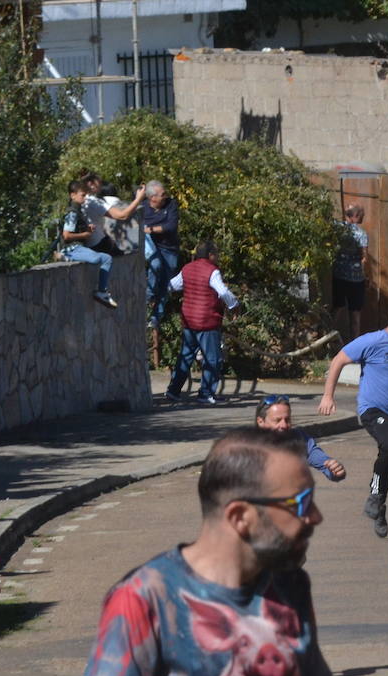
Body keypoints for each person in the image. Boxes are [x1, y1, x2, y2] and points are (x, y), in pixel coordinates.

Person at [75, 428, 334, 676]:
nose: (316, 516)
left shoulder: (290, 587)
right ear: (241, 517)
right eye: (302, 503)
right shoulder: (143, 598)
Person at [316, 301, 388, 539]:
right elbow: (338, 360)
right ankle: (376, 499)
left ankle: (378, 503)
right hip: (372, 409)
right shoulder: (371, 341)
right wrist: (328, 396)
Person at [165, 240, 240, 405]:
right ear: (210, 255)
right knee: (213, 358)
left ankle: (173, 391)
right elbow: (223, 292)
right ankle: (205, 393)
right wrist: (234, 305)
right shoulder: (212, 271)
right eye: (216, 254)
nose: (218, 257)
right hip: (207, 321)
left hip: (189, 320)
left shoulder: (187, 268)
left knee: (185, 356)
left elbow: (171, 286)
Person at [256, 394, 347, 483]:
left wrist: (335, 469)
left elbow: (322, 461)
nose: (284, 425)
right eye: (277, 420)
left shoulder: (298, 438)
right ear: (260, 422)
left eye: (287, 420)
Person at [61, 180, 119, 308]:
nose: (85, 198)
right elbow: (66, 236)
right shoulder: (73, 212)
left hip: (78, 247)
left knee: (107, 258)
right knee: (97, 258)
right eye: (82, 195)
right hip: (72, 249)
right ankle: (65, 256)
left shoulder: (79, 211)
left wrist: (87, 229)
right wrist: (84, 235)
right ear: (73, 195)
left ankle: (102, 292)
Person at [139, 180, 180, 333]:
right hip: (152, 246)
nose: (166, 196)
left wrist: (150, 229)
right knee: (155, 265)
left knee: (165, 284)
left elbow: (171, 226)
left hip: (169, 249)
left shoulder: (171, 204)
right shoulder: (143, 208)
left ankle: (156, 318)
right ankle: (148, 297)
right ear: (152, 198)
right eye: (162, 194)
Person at [81, 172, 146, 257]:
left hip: (89, 244)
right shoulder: (94, 202)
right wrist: (138, 199)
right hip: (99, 244)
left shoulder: (83, 200)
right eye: (99, 182)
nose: (101, 185)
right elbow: (122, 216)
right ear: (90, 184)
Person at [332, 204, 370, 341]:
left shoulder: (337, 228)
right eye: (361, 215)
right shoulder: (361, 234)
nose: (363, 217)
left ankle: (326, 340)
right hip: (356, 280)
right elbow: (364, 258)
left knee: (337, 309)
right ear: (355, 216)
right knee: (355, 315)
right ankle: (354, 346)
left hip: (339, 276)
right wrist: (365, 276)